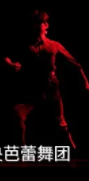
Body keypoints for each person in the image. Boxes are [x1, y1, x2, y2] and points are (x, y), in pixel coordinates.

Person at [5, 10, 89, 148]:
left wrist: (84, 80)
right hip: (32, 90)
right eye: (36, 23)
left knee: (61, 124)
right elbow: (8, 57)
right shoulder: (26, 46)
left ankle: (73, 149)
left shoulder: (53, 45)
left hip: (51, 90)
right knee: (17, 115)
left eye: (41, 23)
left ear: (46, 25)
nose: (38, 25)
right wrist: (11, 64)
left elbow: (74, 63)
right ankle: (22, 150)